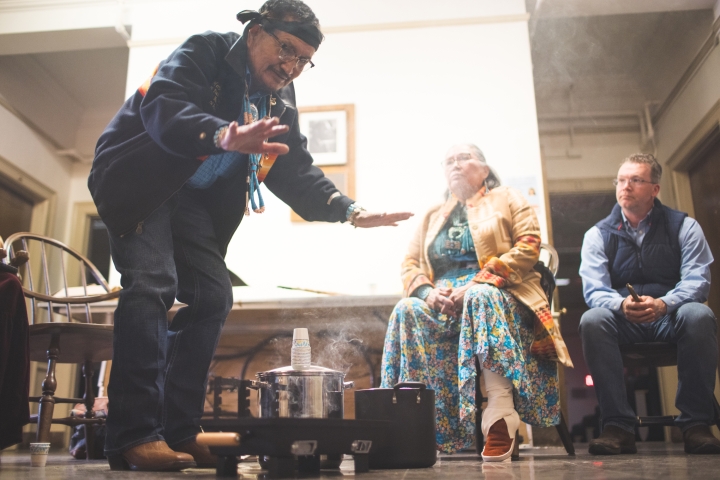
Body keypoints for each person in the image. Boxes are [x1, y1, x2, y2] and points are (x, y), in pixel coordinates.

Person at [88, 0, 411, 471]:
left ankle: (179, 431)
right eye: (286, 49)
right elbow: (165, 107)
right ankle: (133, 434)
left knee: (213, 297)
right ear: (255, 32)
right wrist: (223, 135)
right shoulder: (204, 51)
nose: (292, 67)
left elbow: (292, 166)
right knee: (152, 284)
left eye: (303, 59)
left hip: (192, 200)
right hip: (140, 178)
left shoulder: (281, 97)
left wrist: (349, 210)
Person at [380, 144, 572, 461]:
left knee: (481, 295)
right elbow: (409, 263)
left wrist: (476, 282)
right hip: (444, 305)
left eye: (463, 158)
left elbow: (529, 245)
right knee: (407, 308)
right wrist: (428, 293)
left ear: (484, 169)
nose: (455, 165)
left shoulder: (508, 198)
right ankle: (411, 424)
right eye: (449, 161)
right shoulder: (432, 214)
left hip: (502, 296)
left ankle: (500, 415)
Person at [579, 153, 719, 455]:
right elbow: (594, 289)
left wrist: (665, 304)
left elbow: (698, 282)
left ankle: (696, 424)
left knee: (699, 314)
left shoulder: (684, 226)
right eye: (620, 180)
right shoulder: (597, 234)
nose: (625, 186)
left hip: (670, 316)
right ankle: (617, 426)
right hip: (624, 322)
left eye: (635, 180)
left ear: (654, 189)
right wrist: (620, 305)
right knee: (593, 319)